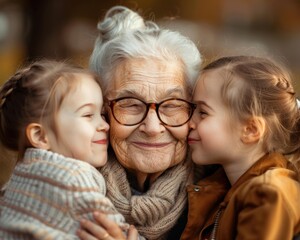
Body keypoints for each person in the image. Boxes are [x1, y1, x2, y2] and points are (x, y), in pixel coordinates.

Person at [77, 5, 202, 240]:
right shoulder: (58, 188)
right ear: (102, 111)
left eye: (172, 104)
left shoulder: (224, 193)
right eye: (130, 104)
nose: (153, 128)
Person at [0, 60, 138, 239]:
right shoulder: (73, 178)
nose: (104, 125)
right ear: (40, 136)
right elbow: (117, 231)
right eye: (88, 115)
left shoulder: (16, 181)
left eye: (102, 115)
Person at [181, 55, 300, 239]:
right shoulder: (225, 187)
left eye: (202, 113)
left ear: (251, 130)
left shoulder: (268, 195)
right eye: (192, 110)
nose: (189, 122)